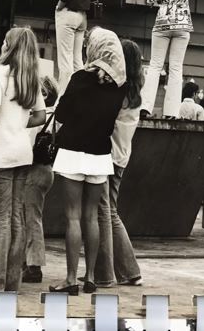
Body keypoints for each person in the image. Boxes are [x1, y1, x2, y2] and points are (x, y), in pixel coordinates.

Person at [50, 28, 127, 295]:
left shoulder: (80, 77)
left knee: (72, 217)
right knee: (92, 217)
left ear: (93, 48)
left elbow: (61, 114)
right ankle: (91, 277)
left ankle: (71, 279)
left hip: (72, 150)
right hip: (100, 154)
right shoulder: (120, 86)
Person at [0, 28, 47, 295]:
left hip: (0, 153)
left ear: (9, 46)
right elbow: (40, 116)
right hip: (22, 152)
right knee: (17, 219)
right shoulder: (31, 77)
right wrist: (19, 122)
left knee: (0, 220)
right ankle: (12, 281)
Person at [95, 38, 149, 287]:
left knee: (107, 214)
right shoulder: (136, 89)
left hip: (107, 154)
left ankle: (126, 270)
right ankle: (123, 270)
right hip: (121, 155)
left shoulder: (117, 90)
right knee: (108, 212)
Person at [141, 0, 204, 117]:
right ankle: (171, 112)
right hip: (182, 24)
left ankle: (145, 107)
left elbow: (150, 0)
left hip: (162, 23)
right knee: (176, 69)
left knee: (155, 66)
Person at [21, 76, 59, 284]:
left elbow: (27, 146)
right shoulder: (56, 117)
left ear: (43, 94)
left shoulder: (38, 117)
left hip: (33, 170)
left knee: (30, 218)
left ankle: (33, 266)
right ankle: (27, 262)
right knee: (33, 216)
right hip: (48, 169)